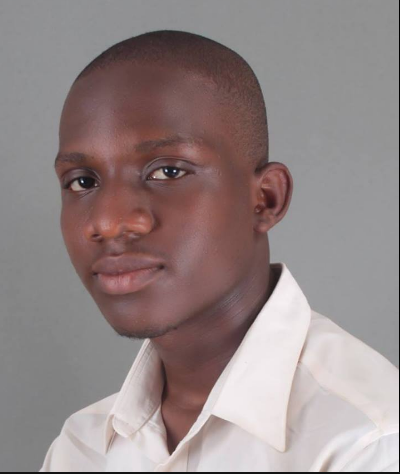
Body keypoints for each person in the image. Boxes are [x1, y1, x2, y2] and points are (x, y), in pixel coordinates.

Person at [40, 30, 399, 472]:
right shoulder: (82, 448)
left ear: (265, 199)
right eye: (83, 181)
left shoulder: (370, 442)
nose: (108, 221)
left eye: (168, 172)